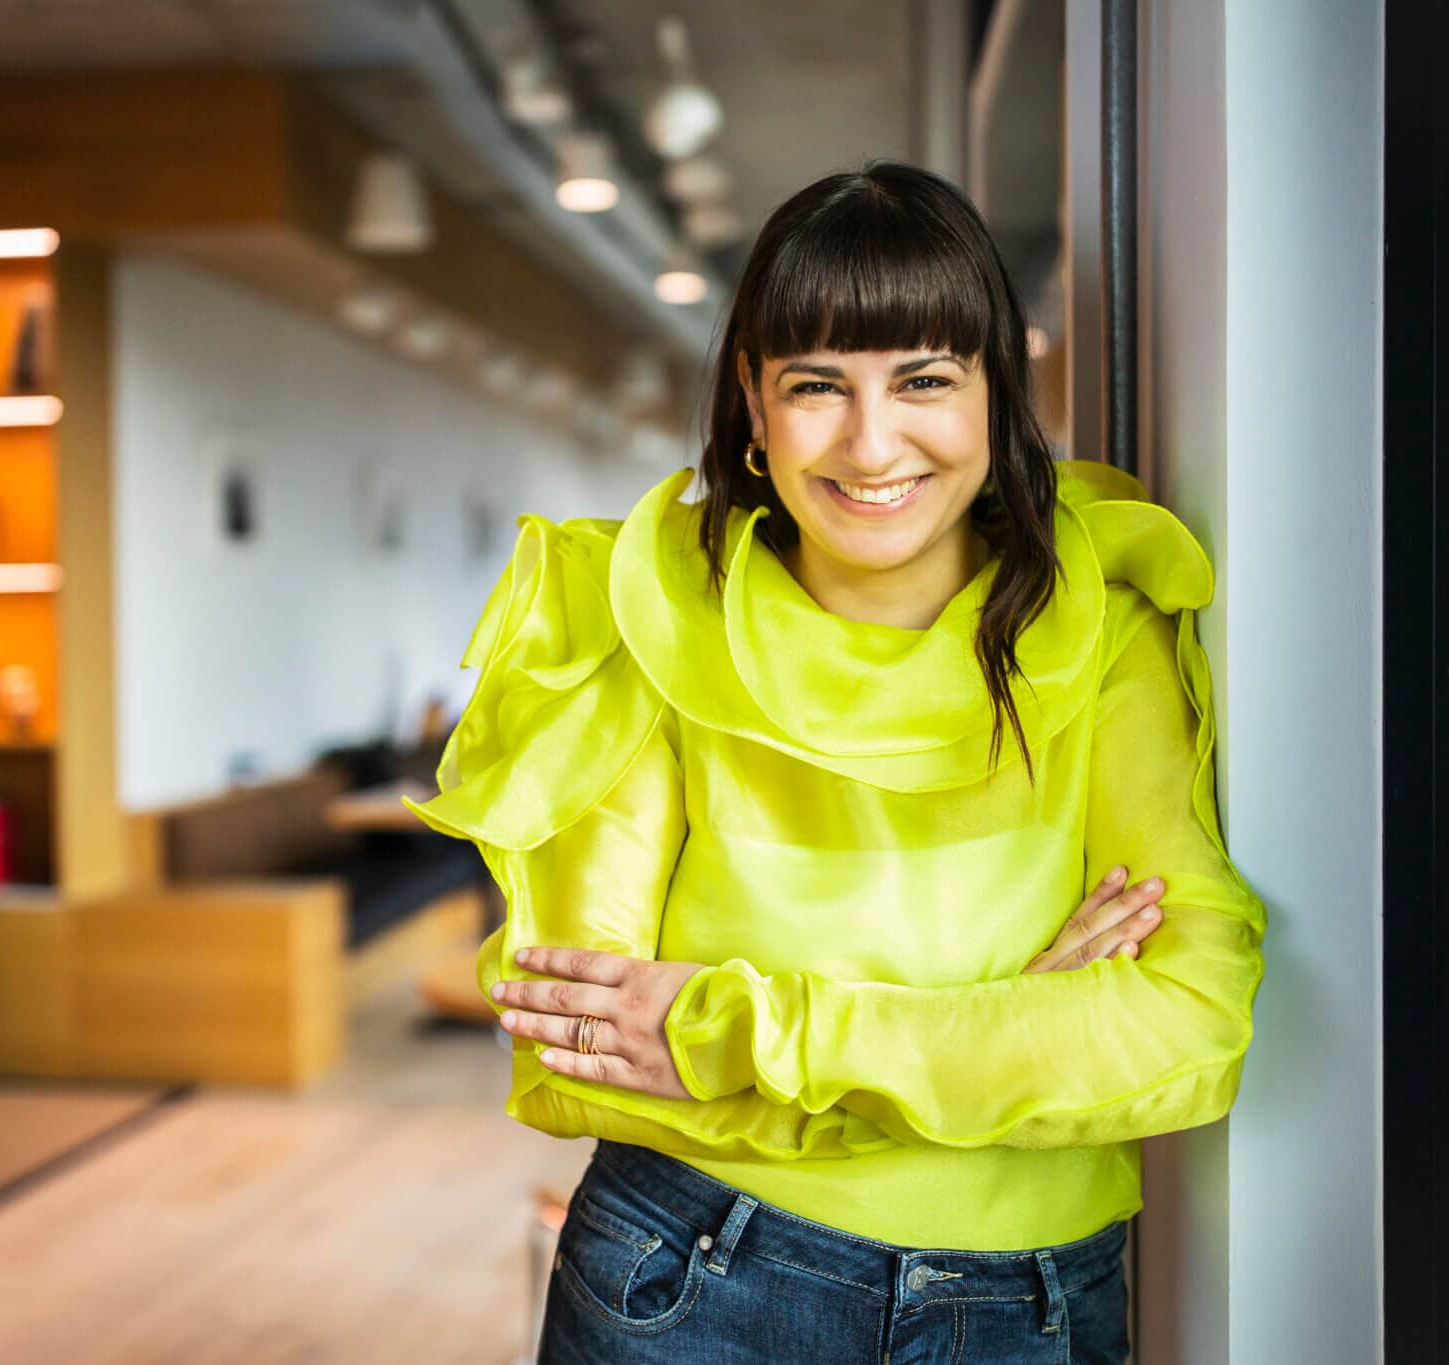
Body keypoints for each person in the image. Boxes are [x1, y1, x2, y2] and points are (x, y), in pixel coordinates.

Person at [404, 159, 1267, 1363]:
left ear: (990, 393)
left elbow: (1189, 1028)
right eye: (817, 384)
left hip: (1024, 1317)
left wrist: (740, 1030)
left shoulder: (1106, 629)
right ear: (753, 402)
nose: (871, 444)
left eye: (923, 379)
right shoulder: (641, 625)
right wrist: (1006, 1025)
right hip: (691, 1282)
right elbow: (583, 1054)